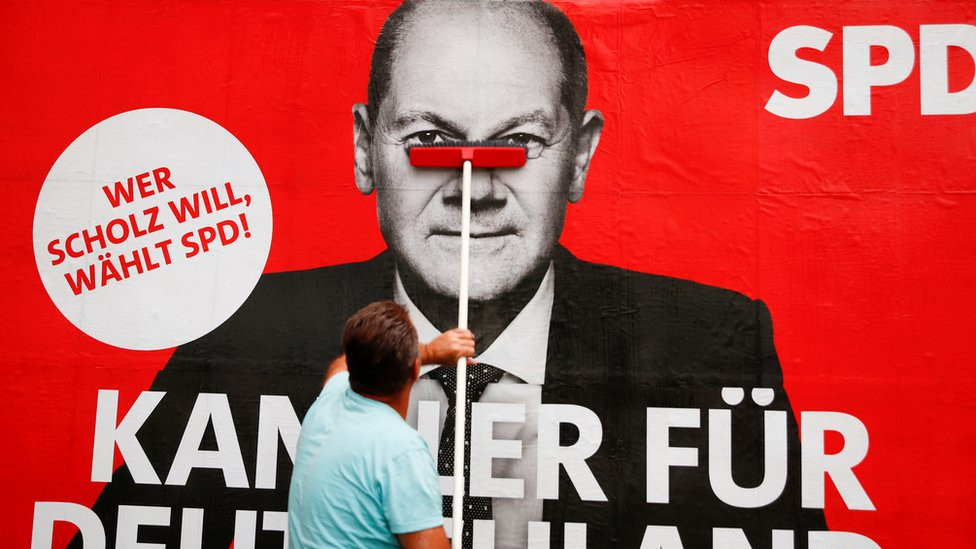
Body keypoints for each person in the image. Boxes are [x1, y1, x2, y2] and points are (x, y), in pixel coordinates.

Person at [76, 2, 826, 549]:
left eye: (519, 142)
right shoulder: (244, 334)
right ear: (368, 150)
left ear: (581, 157)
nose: (475, 185)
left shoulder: (711, 345)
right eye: (431, 139)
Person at [288, 301, 473, 549]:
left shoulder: (329, 400)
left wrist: (427, 351)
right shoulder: (402, 451)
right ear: (415, 368)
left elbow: (340, 364)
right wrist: (428, 351)